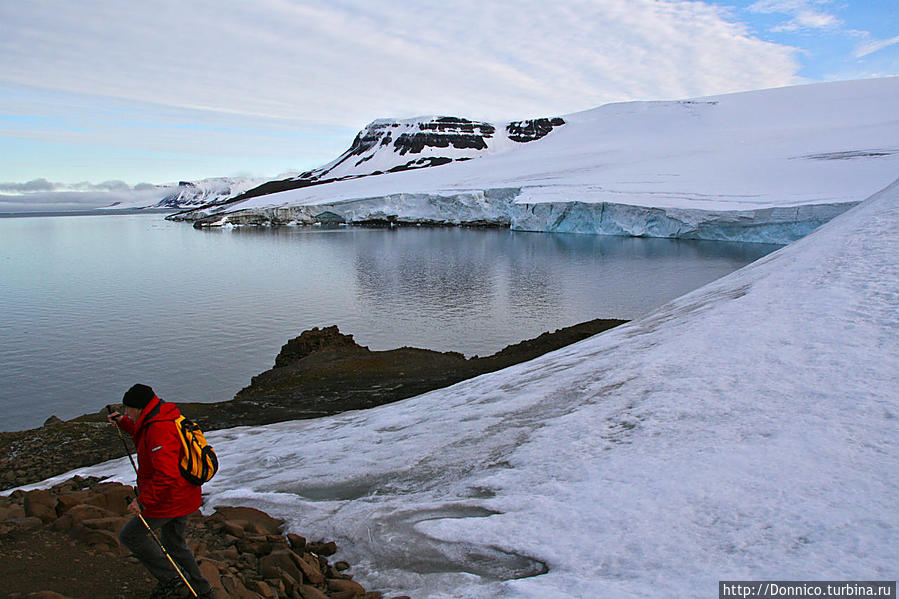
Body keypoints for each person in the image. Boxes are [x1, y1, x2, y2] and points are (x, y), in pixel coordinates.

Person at [107, 383, 214, 599]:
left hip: (171, 499)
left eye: (128, 409)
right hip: (185, 494)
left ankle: (172, 579)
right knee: (174, 544)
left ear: (139, 408)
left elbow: (166, 474)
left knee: (131, 535)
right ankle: (202, 590)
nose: (126, 412)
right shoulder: (159, 415)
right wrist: (124, 422)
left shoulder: (159, 428)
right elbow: (143, 430)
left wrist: (142, 502)